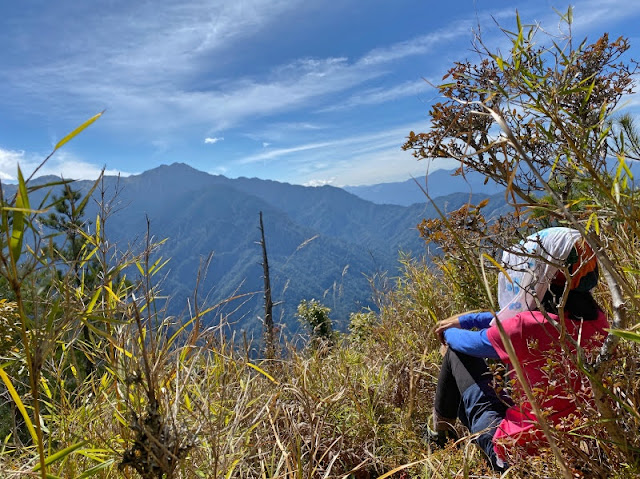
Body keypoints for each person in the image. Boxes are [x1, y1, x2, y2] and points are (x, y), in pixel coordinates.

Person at [425, 227, 609, 470]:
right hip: (578, 444)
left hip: (515, 456)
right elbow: (512, 314)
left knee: (455, 354)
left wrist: (446, 331)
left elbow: (465, 342)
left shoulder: (525, 327)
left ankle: (439, 437)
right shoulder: (599, 320)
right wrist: (466, 320)